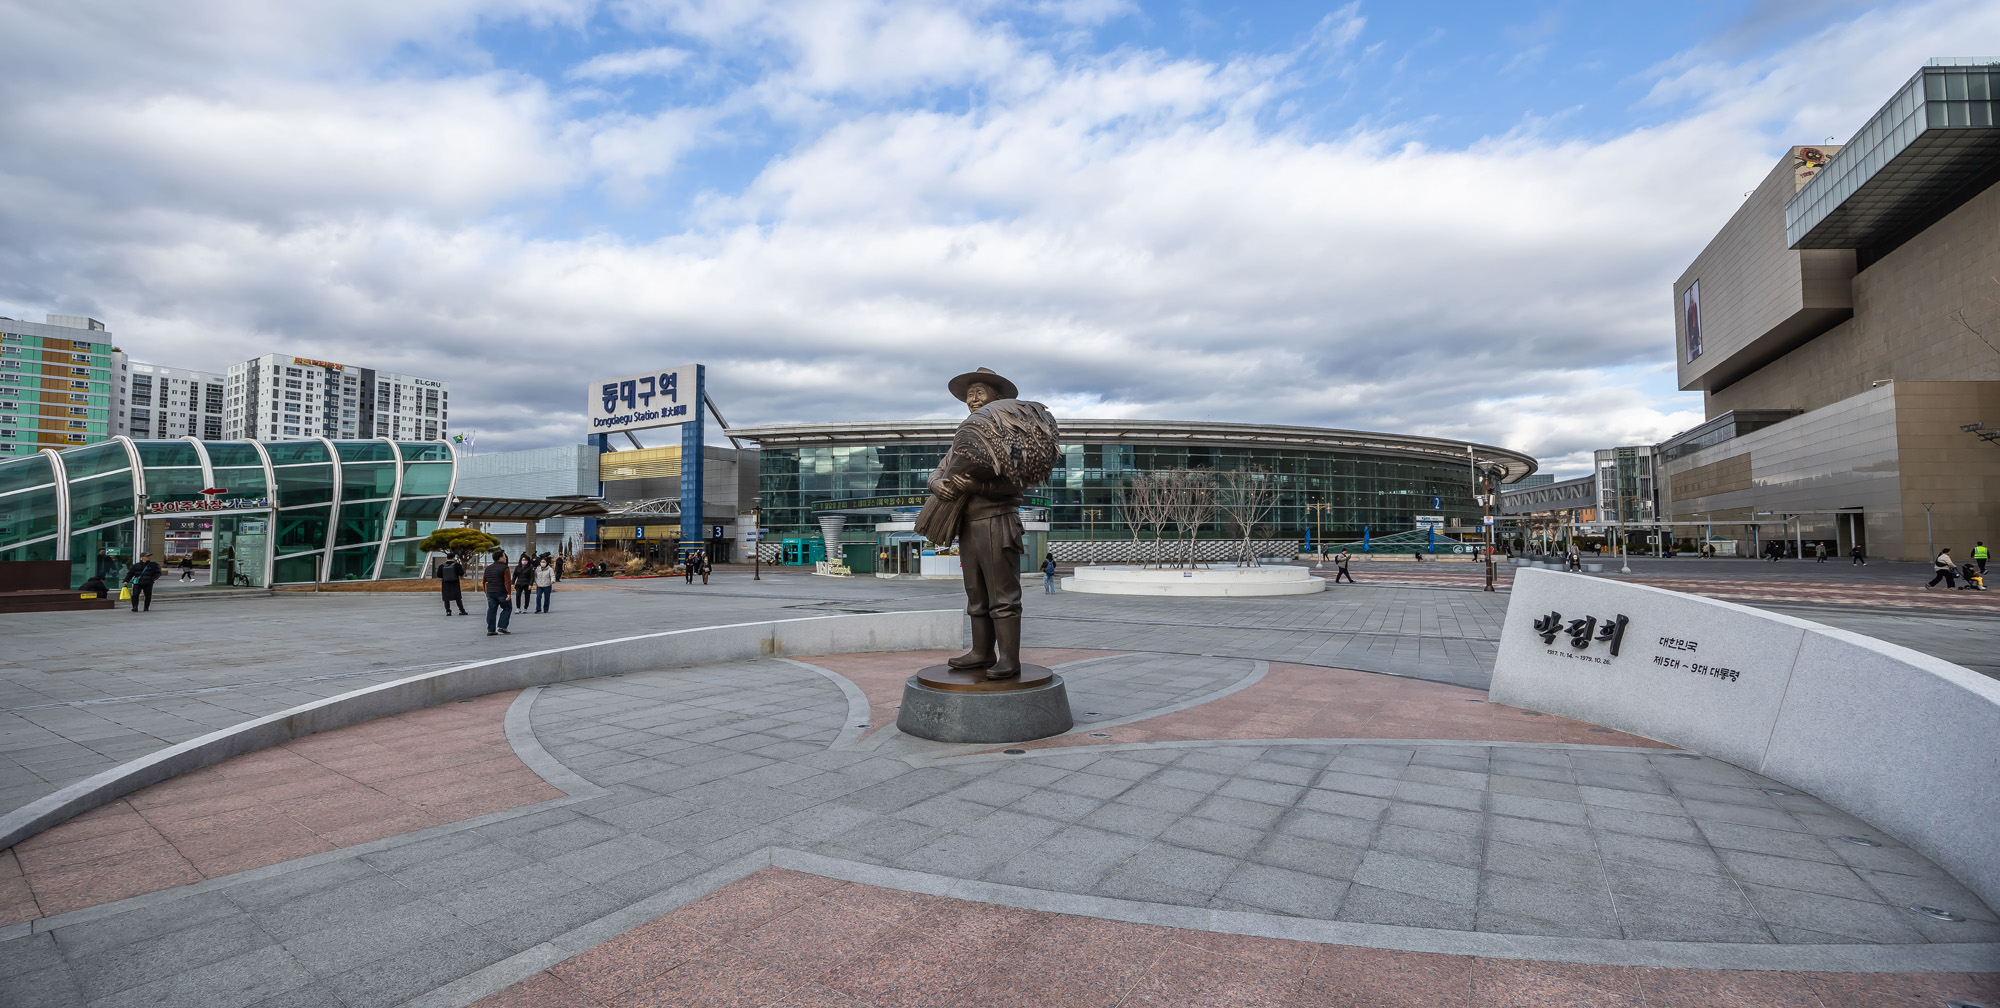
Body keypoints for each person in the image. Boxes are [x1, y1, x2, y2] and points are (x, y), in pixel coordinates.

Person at [913, 367, 1060, 682]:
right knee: (975, 594)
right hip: (968, 525)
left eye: (979, 392)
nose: (972, 399)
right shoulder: (968, 436)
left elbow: (1015, 484)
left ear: (998, 397)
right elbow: (940, 469)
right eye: (969, 393)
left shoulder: (1009, 433)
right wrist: (936, 484)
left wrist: (976, 488)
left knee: (1003, 595)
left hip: (997, 523)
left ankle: (1009, 659)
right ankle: (981, 652)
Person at [482, 550, 514, 635]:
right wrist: (509, 593)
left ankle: (491, 630)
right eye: (504, 556)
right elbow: (507, 582)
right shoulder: (505, 568)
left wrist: (486, 592)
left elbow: (484, 581)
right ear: (500, 559)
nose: (505, 558)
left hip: (491, 592)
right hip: (501, 591)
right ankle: (502, 626)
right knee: (507, 608)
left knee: (491, 610)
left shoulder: (488, 568)